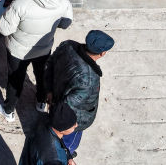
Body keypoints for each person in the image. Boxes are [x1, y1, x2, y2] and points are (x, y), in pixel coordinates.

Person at [0, 0, 73, 122]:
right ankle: (41, 102)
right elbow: (65, 23)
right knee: (42, 75)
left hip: (18, 51)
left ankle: (8, 110)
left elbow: (4, 29)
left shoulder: (20, 4)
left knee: (15, 80)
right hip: (44, 48)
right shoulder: (63, 0)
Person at [44, 29, 114, 158]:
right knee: (68, 144)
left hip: (55, 96)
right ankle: (65, 155)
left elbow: (50, 63)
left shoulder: (67, 45)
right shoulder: (89, 81)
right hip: (72, 119)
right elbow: (68, 107)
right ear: (102, 53)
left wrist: (49, 90)